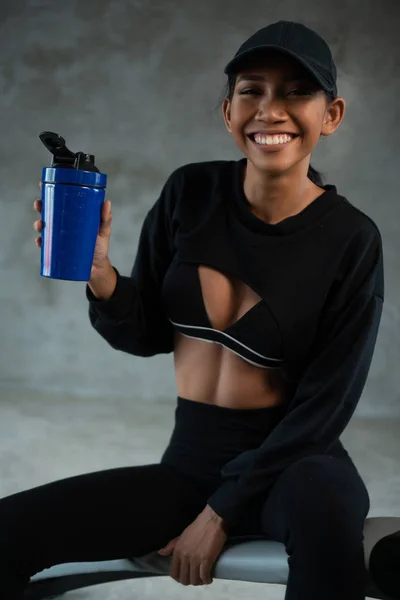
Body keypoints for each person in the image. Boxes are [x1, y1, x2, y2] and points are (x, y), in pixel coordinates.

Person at [4, 19, 384, 600]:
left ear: (330, 115)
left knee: (325, 507)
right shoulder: (190, 193)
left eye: (295, 92)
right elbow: (148, 332)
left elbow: (326, 404)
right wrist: (103, 277)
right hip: (189, 466)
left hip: (297, 468)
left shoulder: (352, 239)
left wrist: (220, 516)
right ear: (227, 110)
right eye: (251, 90)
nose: (270, 109)